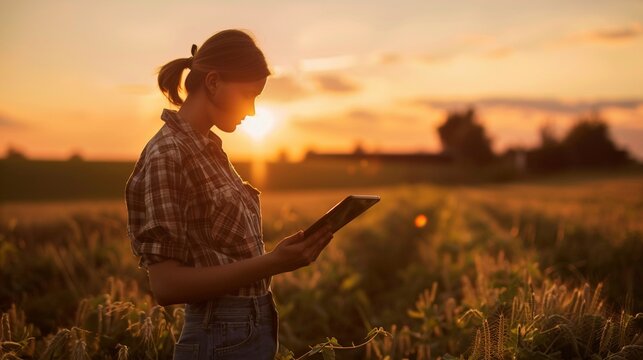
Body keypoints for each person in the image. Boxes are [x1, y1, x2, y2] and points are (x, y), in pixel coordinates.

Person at [125, 29, 334, 360]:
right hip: (218, 338)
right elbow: (166, 286)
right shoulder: (167, 156)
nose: (252, 112)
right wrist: (273, 263)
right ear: (212, 83)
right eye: (249, 95)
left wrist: (276, 261)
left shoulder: (209, 150)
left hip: (247, 329)